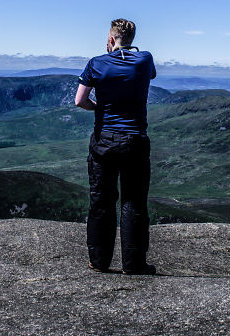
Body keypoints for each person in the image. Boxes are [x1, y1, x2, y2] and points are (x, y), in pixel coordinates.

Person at [75, 18, 157, 275]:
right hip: (135, 140)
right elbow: (147, 74)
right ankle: (134, 264)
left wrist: (101, 108)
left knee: (102, 201)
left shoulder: (97, 63)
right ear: (132, 38)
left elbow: (80, 100)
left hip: (105, 140)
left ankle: (99, 261)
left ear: (110, 39)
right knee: (133, 202)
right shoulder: (145, 60)